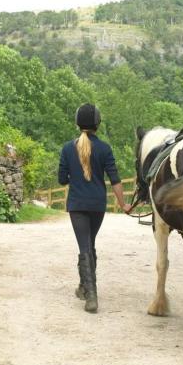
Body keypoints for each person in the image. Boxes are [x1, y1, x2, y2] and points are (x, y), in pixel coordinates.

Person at [58, 103, 131, 313]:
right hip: (98, 204)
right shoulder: (105, 149)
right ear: (98, 123)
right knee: (89, 244)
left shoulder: (67, 148)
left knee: (84, 247)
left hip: (77, 205)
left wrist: (73, 175)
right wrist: (123, 203)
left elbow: (62, 179)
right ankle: (83, 287)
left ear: (77, 122)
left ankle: (92, 296)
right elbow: (115, 179)